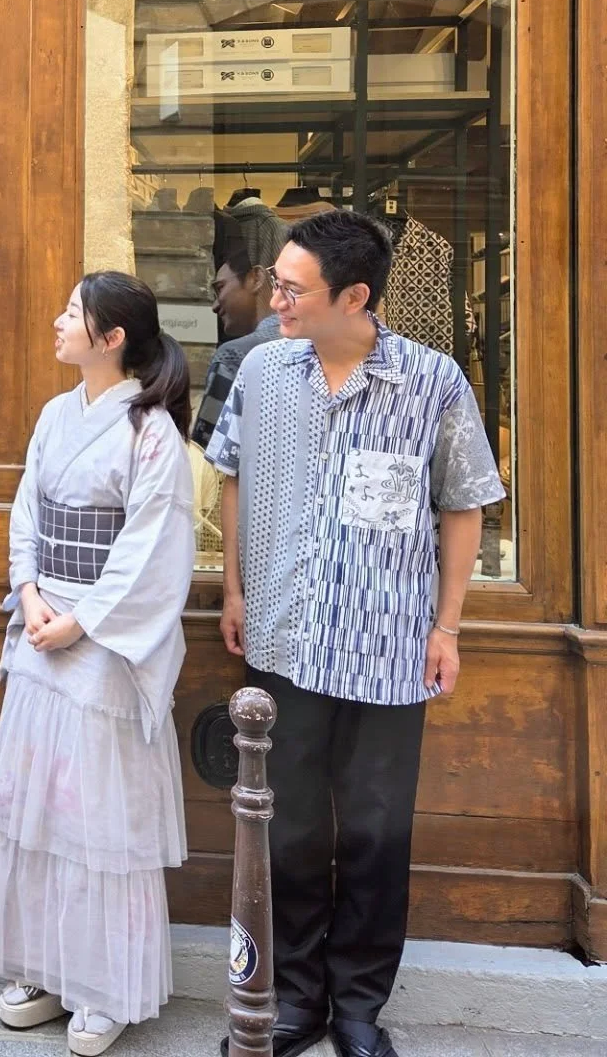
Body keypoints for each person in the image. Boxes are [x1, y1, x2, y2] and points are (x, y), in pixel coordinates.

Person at [206, 210, 505, 1057]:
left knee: (376, 832)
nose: (276, 299)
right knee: (289, 825)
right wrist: (234, 589)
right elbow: (230, 476)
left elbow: (464, 504)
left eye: (293, 289)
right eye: (276, 283)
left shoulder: (431, 381)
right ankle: (295, 998)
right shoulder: (263, 370)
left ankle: (360, 1008)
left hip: (387, 645)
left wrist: (448, 626)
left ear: (355, 296)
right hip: (284, 639)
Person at [0, 272, 196, 1057]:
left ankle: (103, 984)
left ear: (112, 337)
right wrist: (30, 592)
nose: (59, 322)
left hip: (104, 642)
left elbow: (152, 546)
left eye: (73, 312)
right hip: (44, 628)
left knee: (97, 814)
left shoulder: (151, 431)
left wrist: (83, 621)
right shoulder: (54, 415)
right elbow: (26, 510)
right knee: (38, 805)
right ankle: (43, 965)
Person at [190, 212, 282, 449]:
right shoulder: (314, 344)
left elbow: (205, 447)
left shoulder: (234, 355)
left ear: (256, 279)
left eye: (220, 288)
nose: (215, 306)